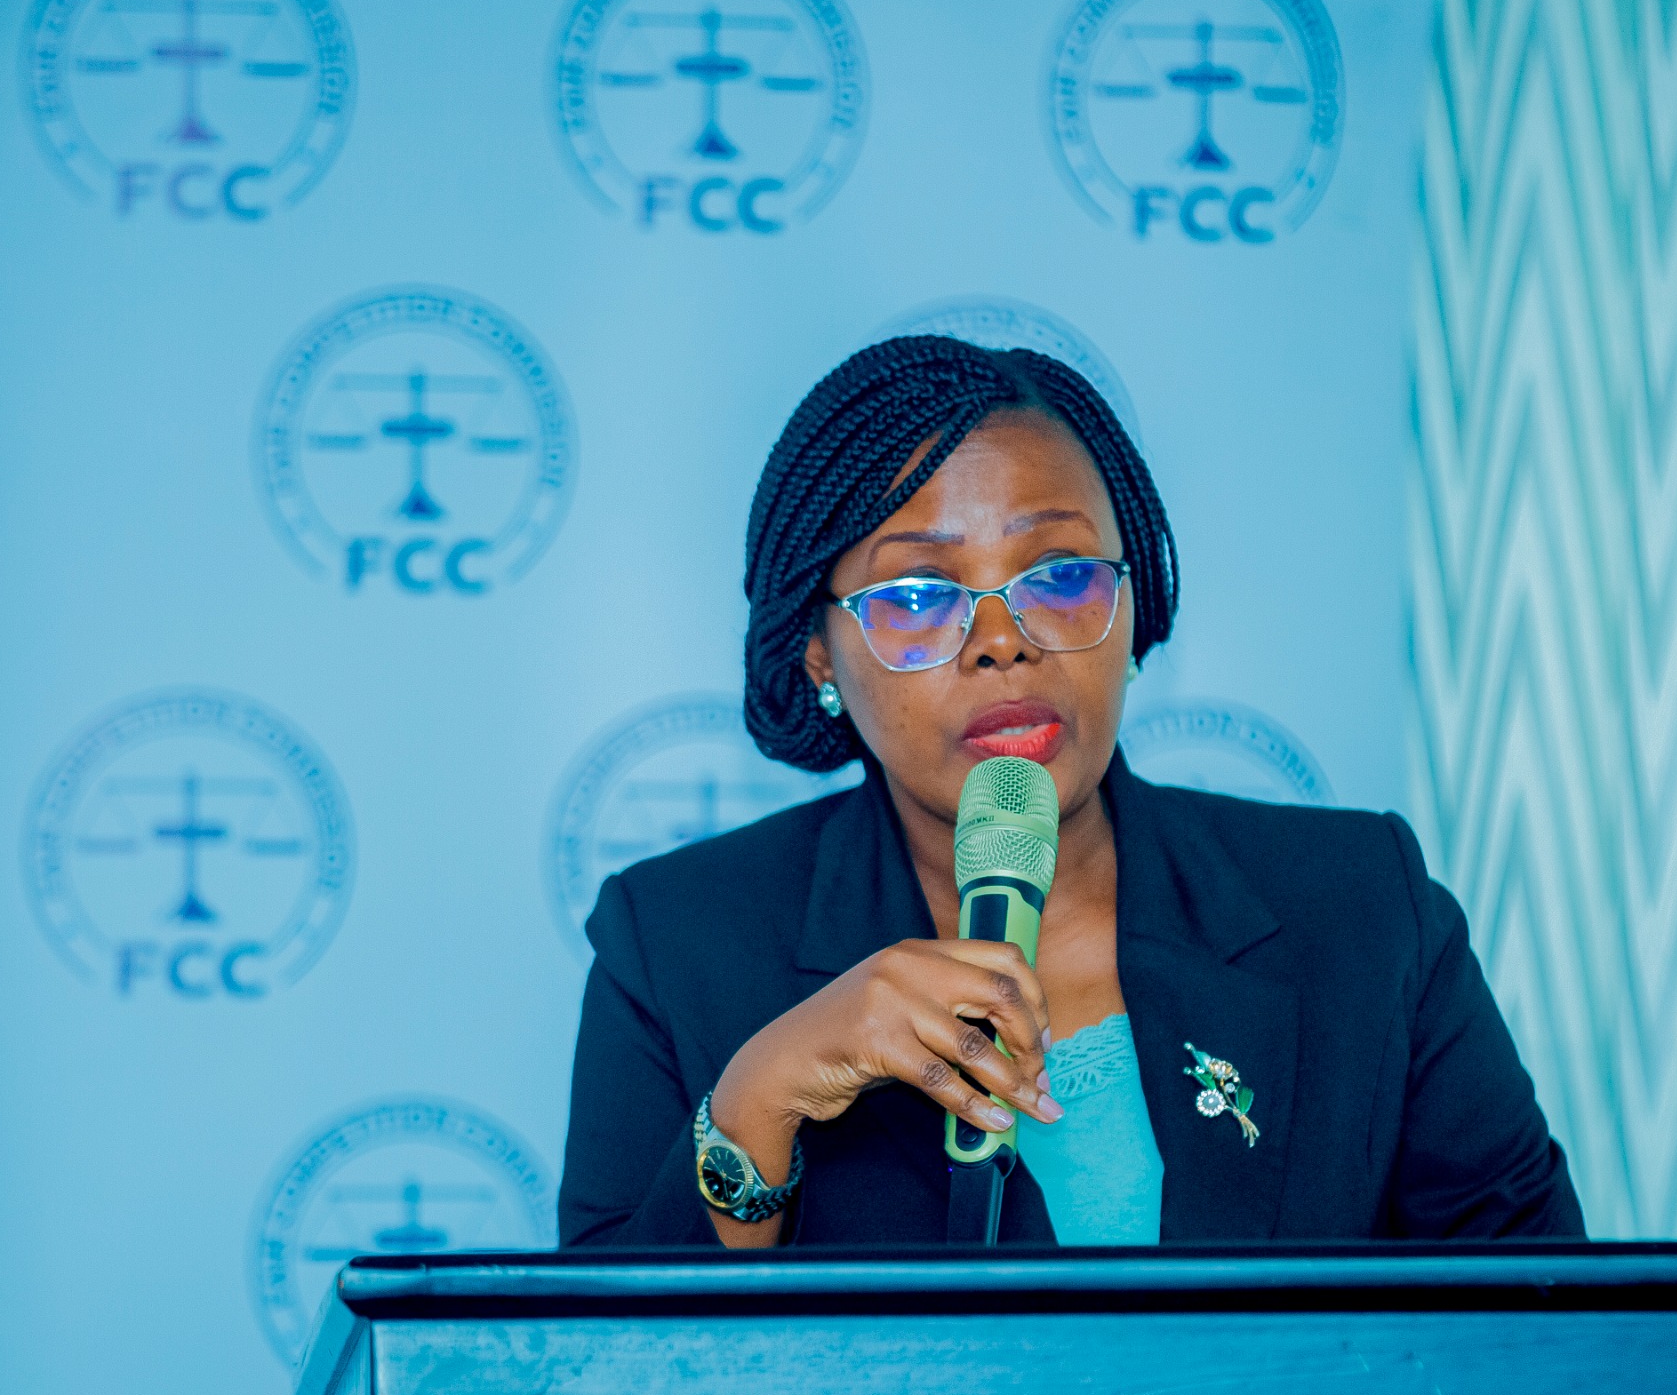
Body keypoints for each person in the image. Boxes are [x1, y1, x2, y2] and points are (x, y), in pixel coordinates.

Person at [560, 336, 1581, 1249]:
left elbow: (1545, 1329)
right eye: (917, 595)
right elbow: (600, 1373)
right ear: (818, 652)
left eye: (1059, 576)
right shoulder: (677, 944)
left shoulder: (1359, 906)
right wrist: (758, 1101)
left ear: (1133, 609)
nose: (1002, 640)